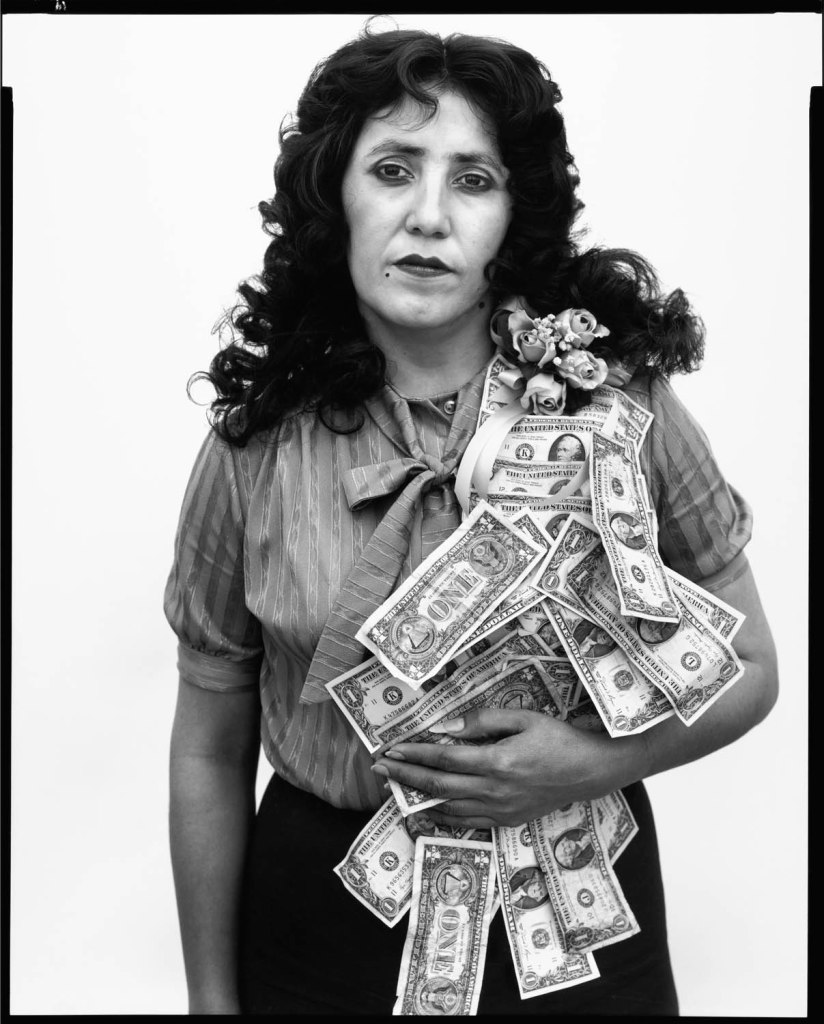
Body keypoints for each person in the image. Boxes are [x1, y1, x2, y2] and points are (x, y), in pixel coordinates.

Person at [165, 25, 778, 1016]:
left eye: (473, 180)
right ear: (335, 201)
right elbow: (205, 744)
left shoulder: (621, 412)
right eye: (392, 170)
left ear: (513, 216)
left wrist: (587, 764)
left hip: (578, 914)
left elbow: (750, 669)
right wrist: (207, 999)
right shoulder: (251, 450)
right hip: (318, 926)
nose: (426, 217)